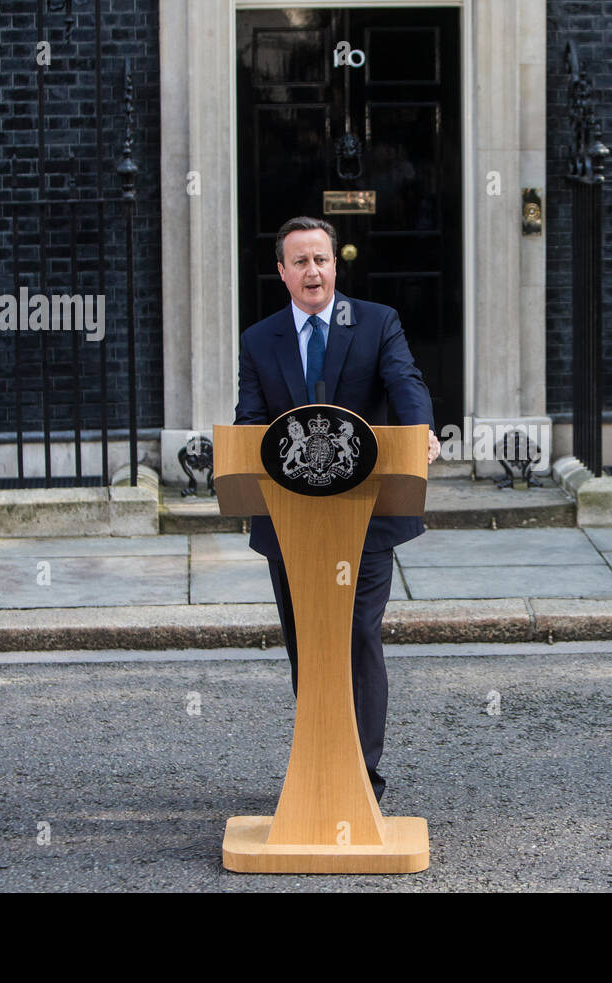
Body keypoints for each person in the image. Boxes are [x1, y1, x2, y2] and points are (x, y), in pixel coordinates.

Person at [234, 215, 441, 801]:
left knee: (356, 633)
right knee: (307, 638)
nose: (312, 271)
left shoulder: (376, 323)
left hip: (365, 514)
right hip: (289, 520)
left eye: (320, 259)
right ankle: (322, 755)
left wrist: (417, 429)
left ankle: (363, 772)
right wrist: (240, 444)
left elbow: (404, 382)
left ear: (334, 265)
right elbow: (251, 417)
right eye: (299, 261)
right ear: (282, 272)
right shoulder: (259, 339)